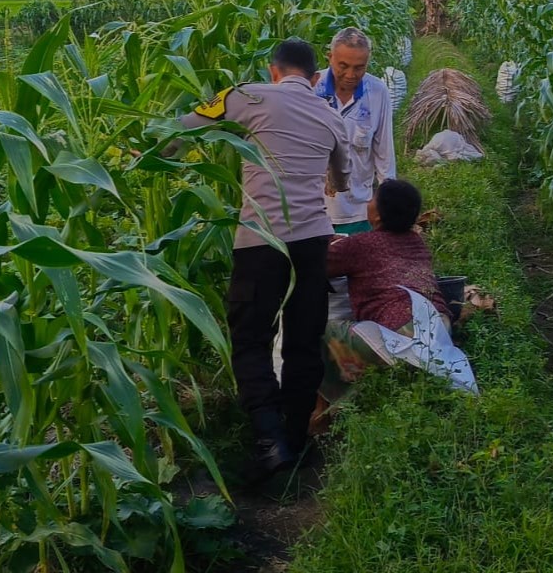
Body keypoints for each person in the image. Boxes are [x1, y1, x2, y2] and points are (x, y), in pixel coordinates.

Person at [172, 39, 350, 477]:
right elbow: (341, 179)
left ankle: (268, 440)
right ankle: (295, 437)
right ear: (313, 78)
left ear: (274, 71)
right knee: (302, 342)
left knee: (251, 338)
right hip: (312, 244)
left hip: (260, 242)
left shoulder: (246, 94)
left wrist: (152, 157)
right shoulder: (330, 115)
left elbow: (184, 128)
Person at [326, 179, 450, 331]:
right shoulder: (416, 242)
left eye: (372, 199)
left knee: (322, 330)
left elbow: (315, 263)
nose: (368, 202)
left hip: (403, 330)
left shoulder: (360, 245)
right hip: (440, 324)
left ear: (379, 215)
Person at [314, 27, 396, 234]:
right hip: (312, 210)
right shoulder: (311, 88)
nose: (351, 75)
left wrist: (388, 203)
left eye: (359, 67)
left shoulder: (377, 92)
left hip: (358, 211)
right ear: (330, 57)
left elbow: (384, 152)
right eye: (343, 66)